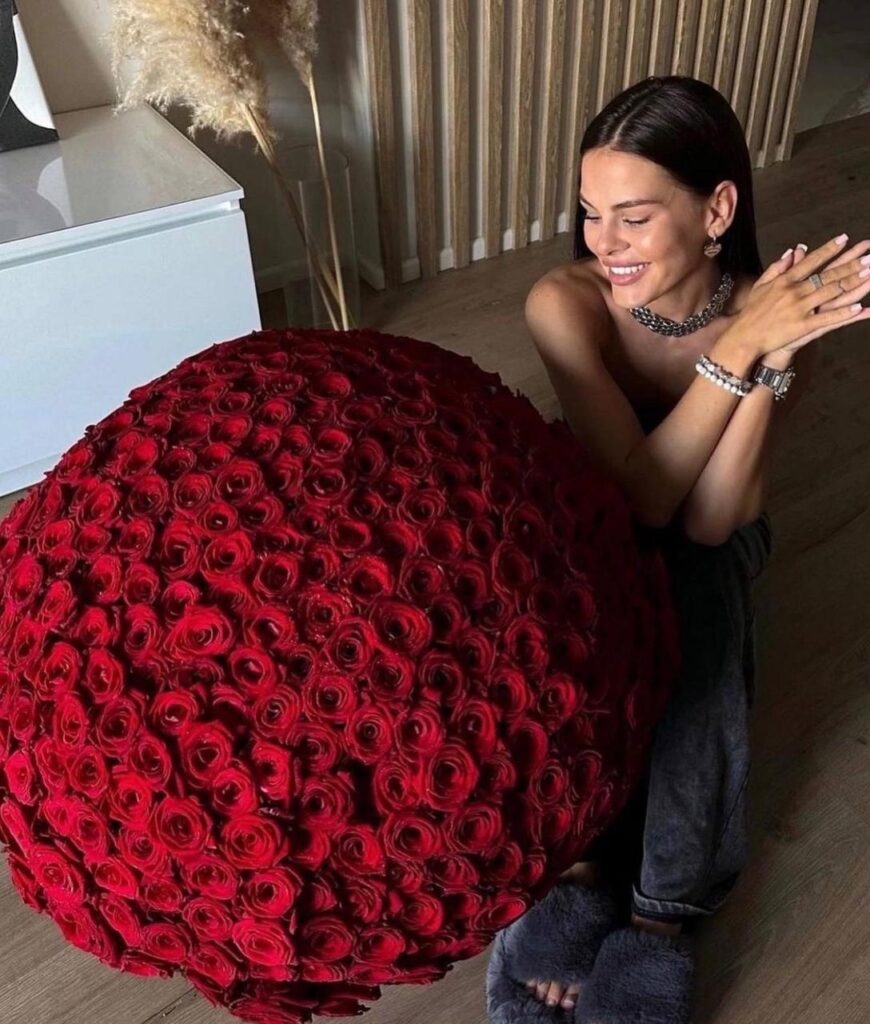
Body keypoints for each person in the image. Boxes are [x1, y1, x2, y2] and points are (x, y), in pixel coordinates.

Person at [485, 74, 870, 1024]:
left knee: (702, 599)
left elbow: (711, 519)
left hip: (713, 534)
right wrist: (738, 352)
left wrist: (777, 356)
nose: (602, 243)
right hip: (592, 515)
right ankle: (578, 858)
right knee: (571, 617)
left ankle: (660, 908)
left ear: (718, 210)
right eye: (590, 213)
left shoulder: (776, 316)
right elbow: (642, 498)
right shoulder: (563, 302)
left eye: (633, 217)